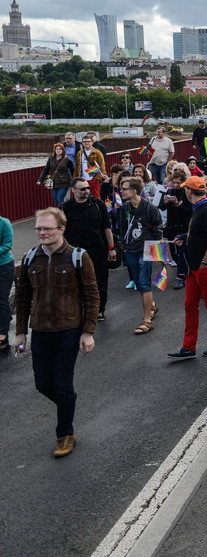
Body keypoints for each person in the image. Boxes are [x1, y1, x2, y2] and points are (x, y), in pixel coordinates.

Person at [14, 207, 99, 458]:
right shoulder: (31, 258)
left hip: (68, 329)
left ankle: (65, 434)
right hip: (40, 330)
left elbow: (92, 296)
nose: (42, 233)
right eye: (39, 228)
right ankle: (67, 402)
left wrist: (88, 332)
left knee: (61, 382)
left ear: (61, 229)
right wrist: (20, 333)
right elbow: (22, 298)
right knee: (43, 384)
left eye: (47, 228)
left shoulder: (78, 257)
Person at [167, 176, 207, 360]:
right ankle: (188, 347)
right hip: (194, 267)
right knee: (190, 306)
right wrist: (183, 236)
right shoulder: (199, 208)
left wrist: (204, 263)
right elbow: (197, 234)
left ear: (189, 191)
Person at [61, 177, 115, 320]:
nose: (86, 191)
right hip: (75, 253)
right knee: (76, 282)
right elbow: (61, 231)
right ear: (73, 190)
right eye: (83, 189)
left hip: (98, 250)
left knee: (100, 281)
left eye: (88, 188)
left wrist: (111, 248)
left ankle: (99, 309)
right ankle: (80, 309)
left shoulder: (98, 205)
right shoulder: (65, 207)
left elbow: (107, 228)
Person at [117, 176, 162, 335]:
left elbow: (157, 231)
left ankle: (147, 320)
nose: (121, 191)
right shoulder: (124, 209)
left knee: (143, 283)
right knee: (137, 282)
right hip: (131, 250)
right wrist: (125, 248)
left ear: (134, 191)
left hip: (147, 249)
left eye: (124, 189)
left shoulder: (149, 208)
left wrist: (160, 255)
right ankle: (152, 304)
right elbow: (122, 229)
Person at [159, 169, 192, 289]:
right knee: (174, 253)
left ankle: (182, 276)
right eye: (174, 182)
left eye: (178, 182)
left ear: (183, 182)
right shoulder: (169, 191)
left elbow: (189, 211)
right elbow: (161, 208)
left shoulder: (187, 193)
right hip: (171, 226)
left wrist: (178, 204)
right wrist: (166, 201)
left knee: (183, 253)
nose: (176, 185)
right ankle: (181, 270)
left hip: (183, 226)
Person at [37, 142, 75, 207]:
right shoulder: (51, 159)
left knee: (60, 199)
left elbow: (72, 171)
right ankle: (64, 211)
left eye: (60, 149)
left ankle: (62, 215)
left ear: (63, 150)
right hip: (54, 182)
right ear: (54, 150)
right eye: (57, 149)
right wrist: (40, 180)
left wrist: (74, 181)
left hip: (64, 182)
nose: (58, 151)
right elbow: (46, 169)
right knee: (56, 200)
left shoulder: (67, 160)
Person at [72, 134, 106, 199]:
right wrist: (75, 178)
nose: (86, 143)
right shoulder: (80, 153)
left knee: (96, 196)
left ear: (92, 142)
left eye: (88, 141)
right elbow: (77, 167)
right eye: (84, 141)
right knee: (81, 196)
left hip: (93, 178)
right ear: (82, 143)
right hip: (82, 179)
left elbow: (102, 165)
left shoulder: (97, 152)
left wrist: (100, 177)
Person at [0, 214, 12, 354]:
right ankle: (5, 317)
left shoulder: (4, 223)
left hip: (3, 266)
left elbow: (7, 245)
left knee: (2, 300)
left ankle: (2, 331)